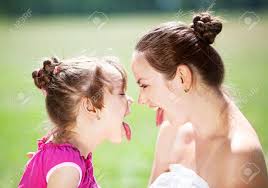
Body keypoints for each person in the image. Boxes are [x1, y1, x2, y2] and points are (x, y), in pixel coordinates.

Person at [131, 12, 268, 188]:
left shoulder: (241, 157)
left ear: (182, 77)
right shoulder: (171, 131)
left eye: (144, 85)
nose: (141, 100)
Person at [19, 56, 133, 188]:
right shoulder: (67, 169)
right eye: (121, 93)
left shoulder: (67, 159)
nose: (130, 99)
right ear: (91, 107)